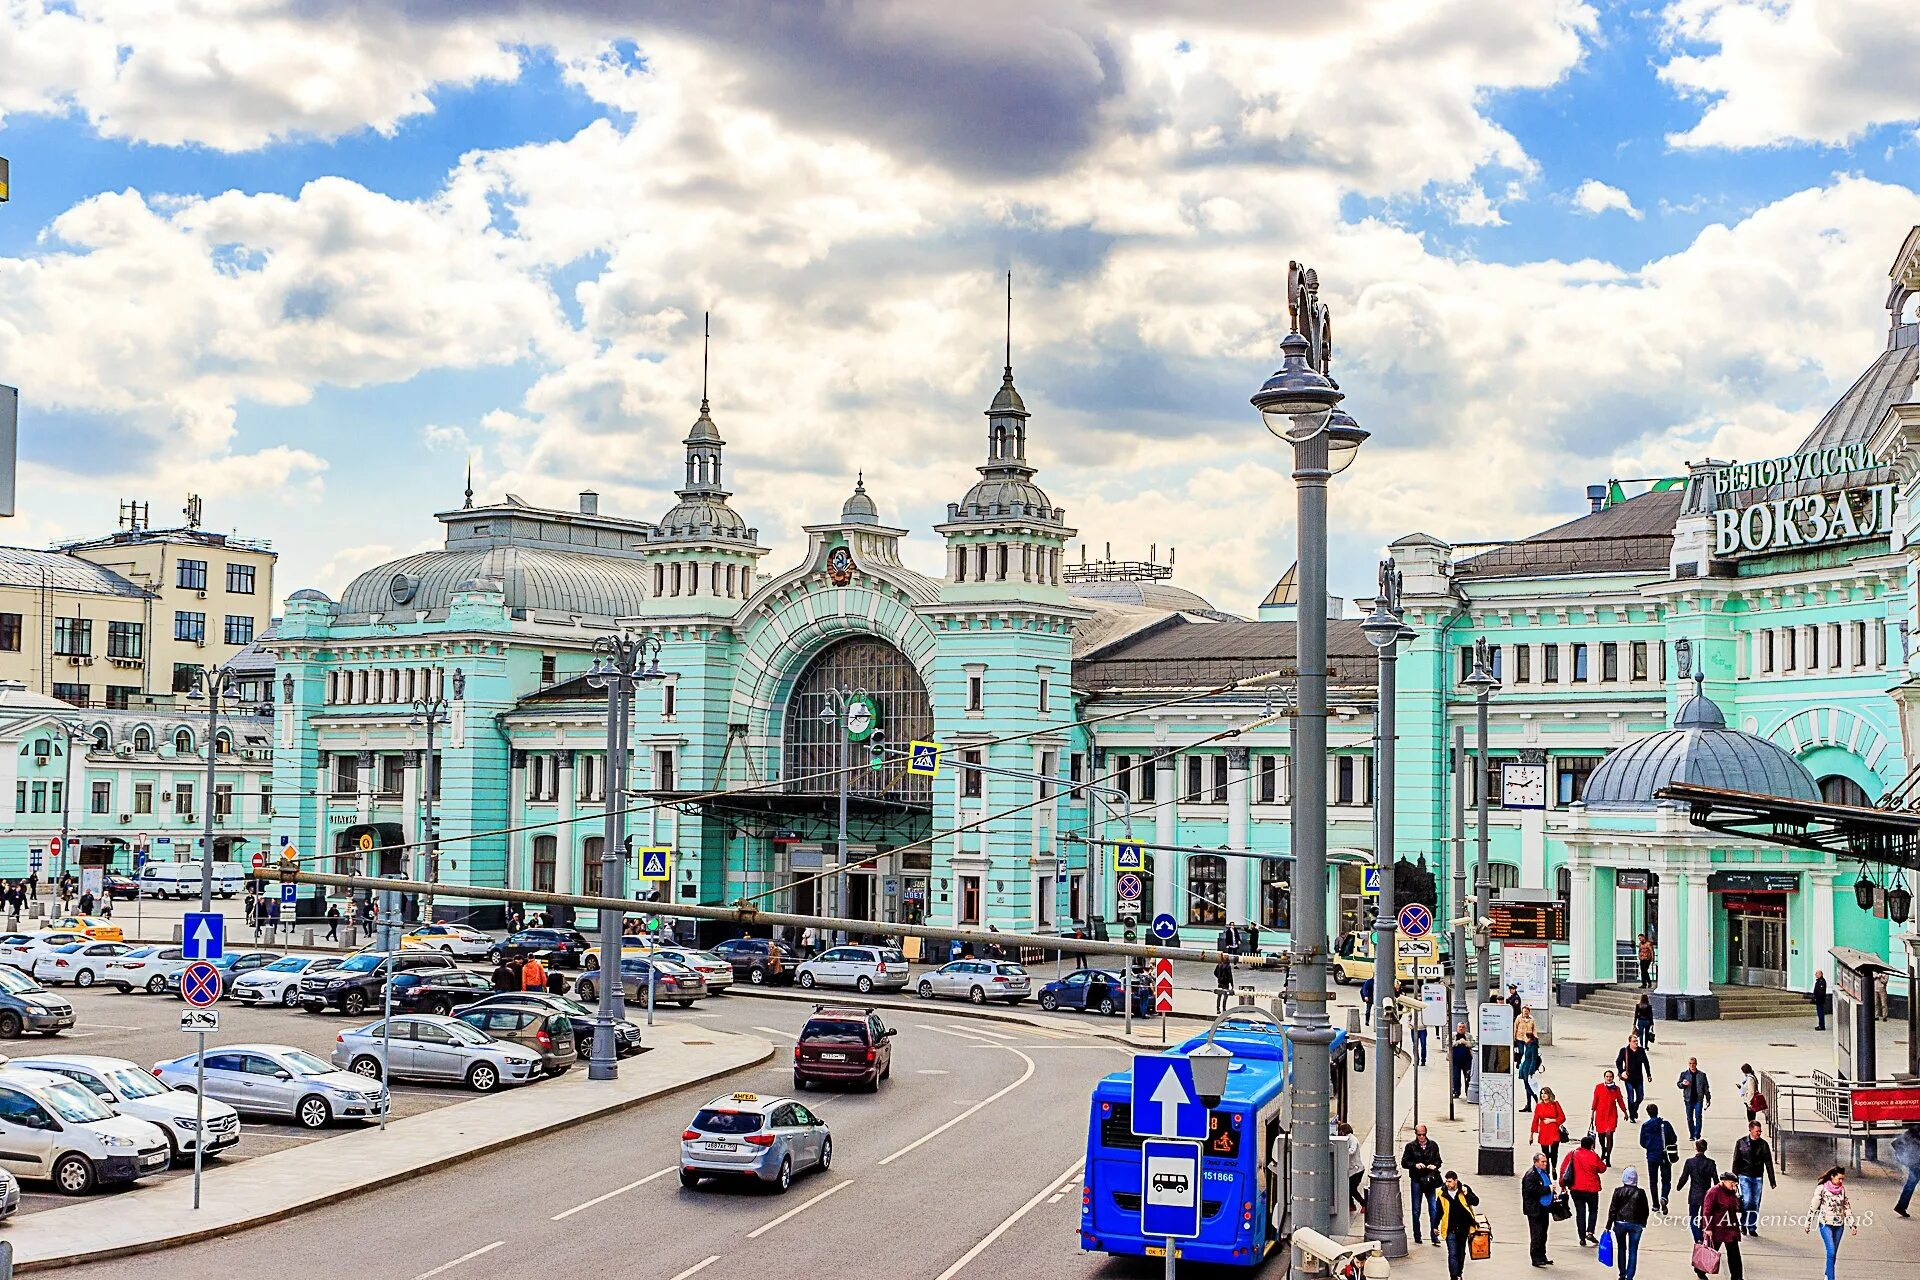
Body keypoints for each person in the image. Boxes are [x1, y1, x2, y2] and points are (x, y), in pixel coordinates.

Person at [1805, 1165, 1855, 1280]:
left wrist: (1852, 1224)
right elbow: (1813, 1207)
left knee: (1833, 1254)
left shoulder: (1842, 1190)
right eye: (1839, 1179)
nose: (1841, 1181)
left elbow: (1846, 1206)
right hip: (1825, 1224)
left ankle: (1827, 1274)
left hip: (1839, 1225)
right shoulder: (1822, 1189)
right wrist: (1808, 1223)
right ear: (1832, 1177)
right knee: (1831, 1251)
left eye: (1843, 1179)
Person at [1603, 1166, 1651, 1280]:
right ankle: (1630, 1276)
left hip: (1620, 1223)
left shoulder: (1618, 1191)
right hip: (1636, 1224)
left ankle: (1622, 1274)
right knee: (1633, 1251)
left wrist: (1608, 1225)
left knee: (1621, 1248)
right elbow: (1646, 1210)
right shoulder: (1640, 1193)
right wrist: (1643, 1223)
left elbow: (1612, 1210)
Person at [1560, 1133, 1607, 1247]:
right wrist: (1594, 1154)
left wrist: (1563, 1185)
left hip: (1576, 1188)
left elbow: (1563, 1169)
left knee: (1580, 1213)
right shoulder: (1593, 1156)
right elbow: (1602, 1169)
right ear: (1591, 1145)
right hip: (1592, 1189)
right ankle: (1590, 1231)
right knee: (1593, 1210)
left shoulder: (1572, 1154)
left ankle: (1581, 1237)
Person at [1401, 1124, 1444, 1246]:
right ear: (1416, 1134)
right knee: (1416, 1209)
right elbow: (1404, 1162)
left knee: (1433, 1209)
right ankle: (1417, 1235)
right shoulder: (1410, 1146)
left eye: (1423, 1134)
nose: (1421, 1137)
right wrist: (1415, 1165)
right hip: (1417, 1180)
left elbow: (1438, 1161)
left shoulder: (1433, 1145)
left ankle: (1434, 1235)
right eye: (1419, 1135)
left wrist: (1434, 1166)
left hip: (1430, 1180)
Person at [1697, 1171, 1745, 1280]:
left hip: (1730, 1228)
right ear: (1723, 1181)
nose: (1733, 1186)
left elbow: (1738, 1207)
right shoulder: (1713, 1192)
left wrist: (1738, 1197)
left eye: (1735, 1184)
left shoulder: (1732, 1193)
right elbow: (1706, 1210)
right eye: (1731, 1183)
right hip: (1717, 1228)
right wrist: (1707, 1227)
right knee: (1710, 1251)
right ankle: (1700, 1269)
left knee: (1734, 1254)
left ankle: (1737, 1277)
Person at [1730, 1120, 1775, 1237]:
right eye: (1757, 1131)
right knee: (1747, 1200)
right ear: (1750, 1130)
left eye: (1760, 1131)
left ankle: (1752, 1226)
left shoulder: (1763, 1145)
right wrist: (1734, 1179)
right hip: (1744, 1175)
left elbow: (1768, 1162)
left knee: (1755, 1203)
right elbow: (1736, 1161)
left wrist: (1772, 1180)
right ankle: (1743, 1224)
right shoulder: (1741, 1143)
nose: (1759, 1133)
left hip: (1757, 1176)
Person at [1436, 1170, 1481, 1280]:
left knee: (1461, 1253)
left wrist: (1467, 1194)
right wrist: (1434, 1225)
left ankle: (1459, 1273)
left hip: (1463, 1228)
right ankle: (1454, 1277)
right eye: (1446, 1181)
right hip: (1450, 1228)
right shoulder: (1442, 1193)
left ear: (1456, 1181)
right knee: (1452, 1254)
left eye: (1450, 1181)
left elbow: (1476, 1201)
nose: (1447, 1184)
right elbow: (1439, 1211)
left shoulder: (1464, 1190)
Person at [1676, 1139, 1718, 1244]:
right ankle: (1701, 1235)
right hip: (1706, 1194)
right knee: (1704, 1217)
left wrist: (1679, 1186)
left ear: (1696, 1148)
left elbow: (1684, 1177)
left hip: (1694, 1194)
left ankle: (1697, 1238)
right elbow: (1716, 1180)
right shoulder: (1711, 1163)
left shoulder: (1690, 1162)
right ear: (1706, 1148)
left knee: (1693, 1218)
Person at [1638, 1102, 1678, 1213]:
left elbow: (1642, 1142)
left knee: (1653, 1181)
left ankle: (1655, 1205)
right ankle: (1664, 1197)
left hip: (1651, 1156)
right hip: (1664, 1155)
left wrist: (1650, 1147)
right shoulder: (1665, 1124)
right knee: (1666, 1180)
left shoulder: (1645, 1126)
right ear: (1657, 1111)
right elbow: (1674, 1138)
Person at [1521, 1149, 1557, 1268]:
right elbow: (1533, 1191)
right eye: (1543, 1162)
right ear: (1536, 1162)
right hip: (1535, 1209)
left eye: (1546, 1162)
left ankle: (1542, 1255)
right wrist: (1549, 1189)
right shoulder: (1531, 1175)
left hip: (1544, 1208)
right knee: (1536, 1234)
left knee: (1543, 1233)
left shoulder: (1543, 1172)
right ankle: (1535, 1258)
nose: (1545, 1164)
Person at [1592, 1069, 1627, 1163]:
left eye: (1610, 1077)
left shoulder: (1616, 1089)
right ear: (1604, 1077)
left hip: (1611, 1114)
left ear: (1613, 1078)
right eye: (1607, 1076)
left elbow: (1620, 1101)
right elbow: (1595, 1101)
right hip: (1600, 1114)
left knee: (1609, 1134)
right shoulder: (1598, 1087)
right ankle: (1603, 1149)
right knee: (1601, 1136)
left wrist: (1625, 1112)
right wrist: (1592, 1113)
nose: (1608, 1078)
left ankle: (1608, 1156)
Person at [1615, 1034, 1651, 1121]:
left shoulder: (1641, 1050)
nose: (1636, 1043)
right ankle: (1631, 1116)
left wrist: (1648, 1074)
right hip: (1629, 1079)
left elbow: (1646, 1062)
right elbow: (1618, 1062)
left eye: (1637, 1041)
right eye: (1634, 1041)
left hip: (1639, 1078)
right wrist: (1622, 1071)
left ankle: (1634, 1109)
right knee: (1630, 1097)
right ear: (1629, 1042)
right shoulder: (1624, 1051)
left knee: (1640, 1097)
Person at [1677, 1057, 1712, 1141]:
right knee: (1689, 1118)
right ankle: (1692, 1134)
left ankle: (1697, 1134)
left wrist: (1708, 1098)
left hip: (1698, 1099)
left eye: (1693, 1064)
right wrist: (1683, 1084)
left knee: (1698, 1116)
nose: (1692, 1065)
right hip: (1688, 1099)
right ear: (1688, 1064)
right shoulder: (1684, 1074)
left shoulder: (1702, 1075)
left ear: (1696, 1064)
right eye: (1690, 1064)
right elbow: (1679, 1084)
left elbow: (1706, 1087)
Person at [1532, 1086, 1568, 1165]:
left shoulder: (1555, 1104)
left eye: (1545, 1093)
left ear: (1549, 1094)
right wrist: (1531, 1135)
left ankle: (1554, 1167)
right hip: (1543, 1132)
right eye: (1542, 1093)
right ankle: (1547, 1170)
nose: (1543, 1095)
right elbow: (1535, 1120)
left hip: (1554, 1131)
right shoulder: (1539, 1106)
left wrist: (1552, 1120)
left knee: (1554, 1153)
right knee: (1545, 1154)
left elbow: (1562, 1117)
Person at [1893, 1122, 1920, 1217]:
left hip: (1913, 1158)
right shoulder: (1916, 1130)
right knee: (1911, 1182)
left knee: (1911, 1182)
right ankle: (1901, 1206)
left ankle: (1901, 1206)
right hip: (1915, 1159)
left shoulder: (1914, 1128)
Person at [1339, 1121, 1365, 1212]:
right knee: (1349, 1188)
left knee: (1352, 1189)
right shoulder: (1348, 1138)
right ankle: (1352, 1205)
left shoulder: (1352, 1139)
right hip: (1353, 1169)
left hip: (1357, 1169)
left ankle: (1364, 1204)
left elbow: (1352, 1150)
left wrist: (1342, 1151)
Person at [1516, 1027, 1542, 1110]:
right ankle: (1528, 1105)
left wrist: (1531, 1071)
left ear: (1529, 1038)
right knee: (1526, 1086)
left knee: (1529, 1086)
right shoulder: (1527, 1045)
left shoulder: (1533, 1047)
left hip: (1528, 1068)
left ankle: (1538, 1101)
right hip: (1524, 1067)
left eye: (1525, 1037)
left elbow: (1534, 1059)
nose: (1524, 1039)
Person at [1451, 1023, 1473, 1099]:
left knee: (1468, 1076)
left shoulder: (1468, 1036)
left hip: (1467, 1060)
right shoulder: (1453, 1035)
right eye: (1459, 1027)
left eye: (1463, 1027)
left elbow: (1473, 1044)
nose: (1461, 1028)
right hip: (1455, 1060)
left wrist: (1466, 1042)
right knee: (1456, 1076)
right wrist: (1458, 1042)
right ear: (1457, 1028)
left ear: (1465, 1029)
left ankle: (1468, 1092)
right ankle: (1456, 1092)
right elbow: (1448, 1044)